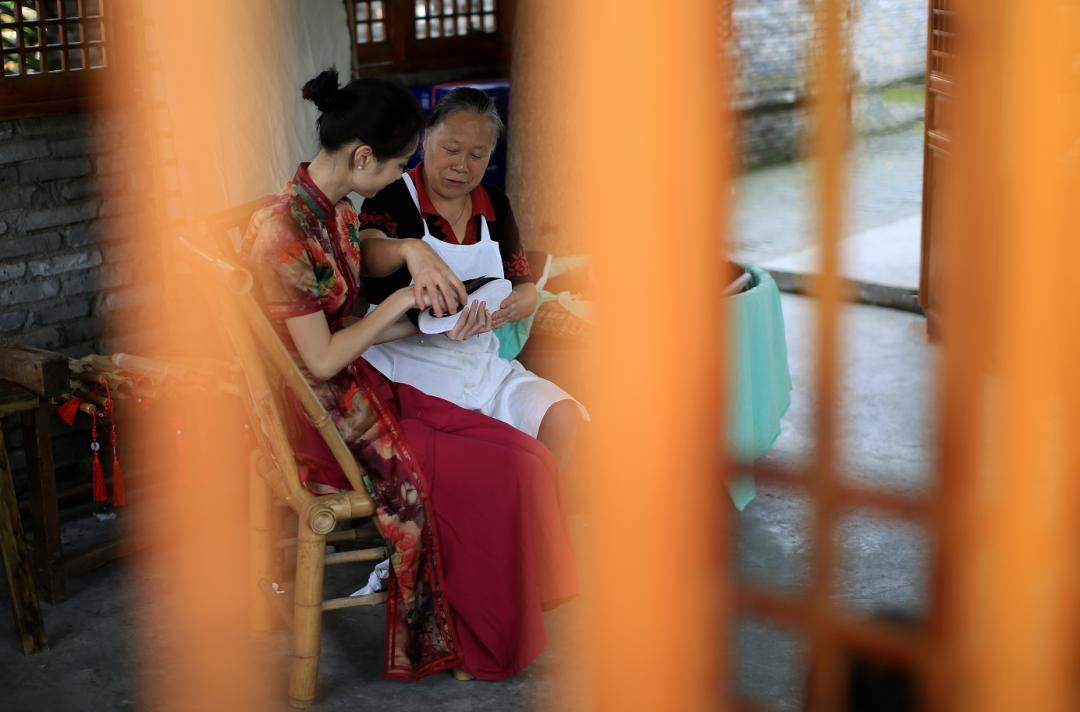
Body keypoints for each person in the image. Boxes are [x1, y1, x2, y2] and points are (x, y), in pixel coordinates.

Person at [241, 68, 577, 681]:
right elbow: (318, 361)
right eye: (401, 165)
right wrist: (399, 302)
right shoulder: (283, 232)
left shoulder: (337, 214)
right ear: (365, 156)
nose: (405, 176)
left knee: (530, 458)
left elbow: (349, 329)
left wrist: (434, 318)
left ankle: (515, 602)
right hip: (326, 416)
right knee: (504, 471)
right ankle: (476, 633)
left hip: (362, 388)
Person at [357, 88, 587, 469]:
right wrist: (410, 249)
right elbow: (365, 256)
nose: (462, 165)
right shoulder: (394, 194)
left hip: (480, 365)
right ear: (426, 140)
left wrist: (510, 310)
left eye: (477, 155)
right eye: (451, 149)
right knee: (475, 455)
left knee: (560, 416)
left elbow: (526, 288)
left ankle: (540, 517)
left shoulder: (495, 204)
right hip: (404, 366)